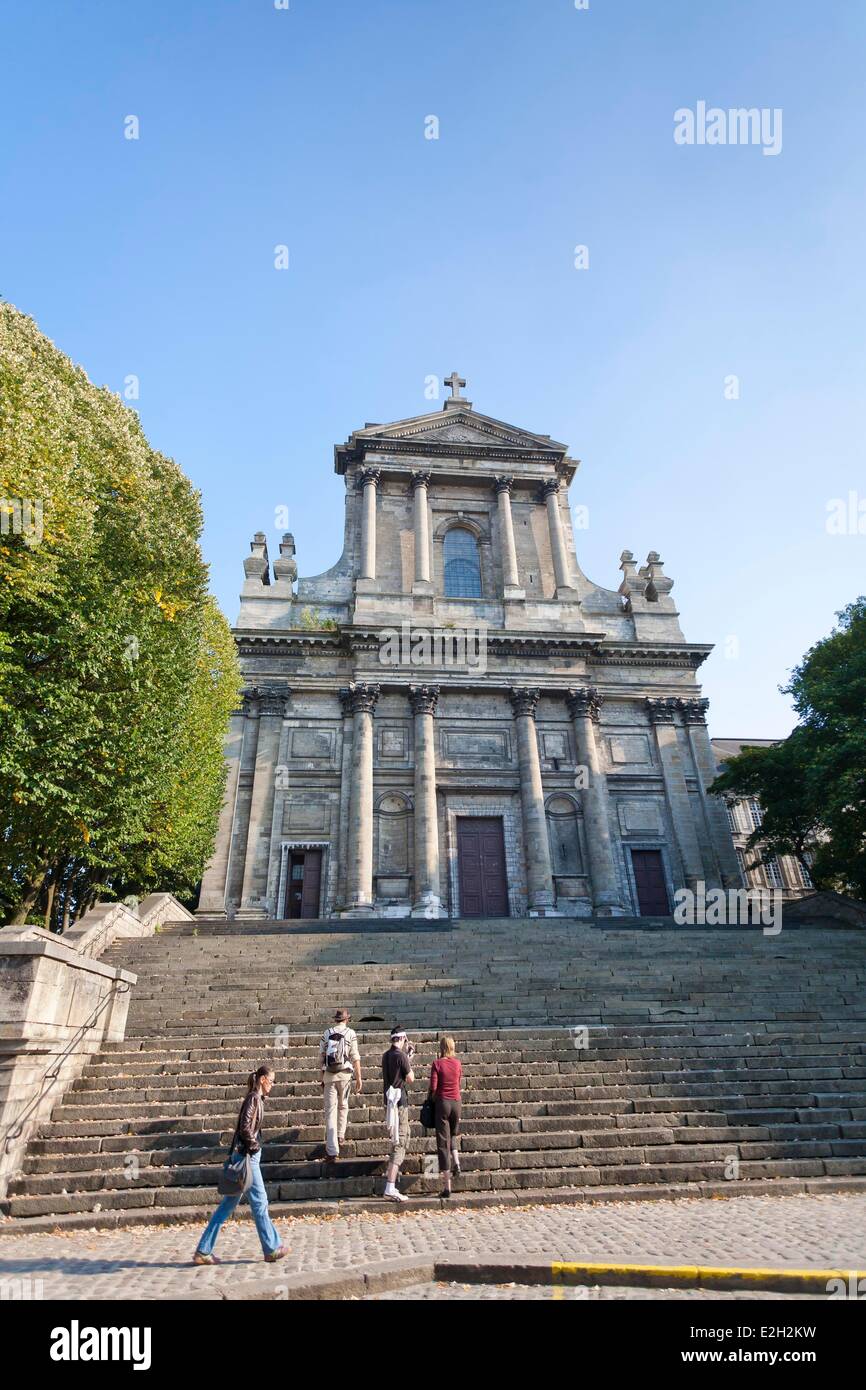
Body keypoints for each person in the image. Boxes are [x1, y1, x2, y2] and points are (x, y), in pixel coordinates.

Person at [193, 1065, 288, 1265]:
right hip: (247, 1158)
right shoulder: (254, 1098)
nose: (272, 1085)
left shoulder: (256, 1098)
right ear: (262, 1079)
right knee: (260, 1202)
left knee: (228, 1205)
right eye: (271, 1080)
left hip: (243, 1156)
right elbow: (245, 1127)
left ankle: (203, 1250)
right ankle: (271, 1248)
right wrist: (254, 1147)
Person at [320, 1007, 362, 1163]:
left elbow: (322, 1057)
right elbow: (355, 1057)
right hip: (345, 1075)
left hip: (329, 1075)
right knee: (343, 1105)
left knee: (330, 1112)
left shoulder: (326, 1033)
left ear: (335, 1019)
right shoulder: (351, 1033)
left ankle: (332, 1151)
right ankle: (340, 1134)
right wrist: (359, 1077)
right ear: (347, 1019)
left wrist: (322, 1077)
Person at [381, 1027, 414, 1202]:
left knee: (399, 1139)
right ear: (401, 1038)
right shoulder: (401, 1056)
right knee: (399, 1142)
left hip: (389, 1103)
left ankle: (393, 1180)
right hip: (399, 1104)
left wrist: (407, 1058)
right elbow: (410, 1078)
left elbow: (396, 1073)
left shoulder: (386, 1055)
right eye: (405, 1038)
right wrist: (408, 1059)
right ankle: (390, 1186)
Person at [429, 1035, 463, 1198]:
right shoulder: (457, 1063)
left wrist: (431, 1099)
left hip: (443, 1103)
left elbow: (433, 1087)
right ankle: (457, 1162)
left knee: (443, 1142)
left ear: (441, 1048)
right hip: (456, 1102)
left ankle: (447, 1187)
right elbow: (458, 1081)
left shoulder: (437, 1063)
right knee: (453, 1134)